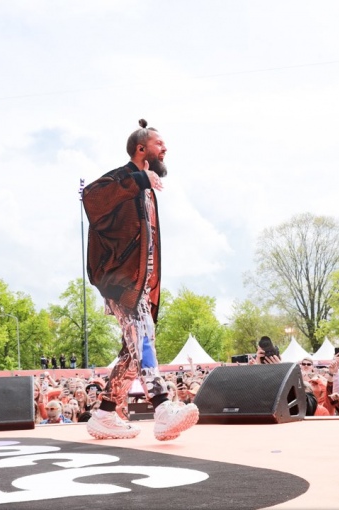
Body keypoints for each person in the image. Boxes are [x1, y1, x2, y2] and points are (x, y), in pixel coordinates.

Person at [82, 119, 198, 441]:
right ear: (141, 148)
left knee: (132, 353)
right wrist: (137, 179)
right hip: (121, 281)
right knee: (143, 337)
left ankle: (105, 413)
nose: (166, 149)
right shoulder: (123, 178)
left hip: (141, 284)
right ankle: (163, 410)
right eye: (160, 143)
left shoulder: (147, 189)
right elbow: (91, 199)